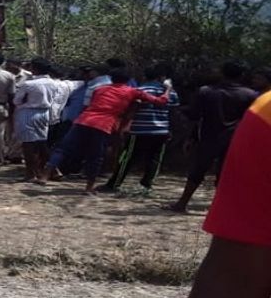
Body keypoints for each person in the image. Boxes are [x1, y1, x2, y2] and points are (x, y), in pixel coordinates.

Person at [178, 91, 271, 298]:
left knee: (200, 173)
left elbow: (231, 289)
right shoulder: (259, 108)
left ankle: (183, 202)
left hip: (220, 141)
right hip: (231, 141)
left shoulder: (263, 112)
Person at [38, 68, 172, 194]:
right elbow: (160, 101)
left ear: (111, 79)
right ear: (127, 80)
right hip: (104, 124)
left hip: (83, 120)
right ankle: (89, 187)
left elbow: (92, 104)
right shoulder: (132, 91)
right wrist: (168, 89)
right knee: (95, 155)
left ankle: (46, 174)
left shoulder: (100, 89)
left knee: (63, 148)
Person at [166, 61, 258, 213]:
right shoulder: (250, 94)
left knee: (197, 171)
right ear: (242, 75)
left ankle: (182, 203)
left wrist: (181, 113)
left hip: (209, 136)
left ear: (222, 73)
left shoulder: (206, 91)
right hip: (234, 138)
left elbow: (194, 114)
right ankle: (221, 207)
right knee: (225, 173)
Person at [101, 65, 180, 194]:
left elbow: (131, 109)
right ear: (162, 77)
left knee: (127, 158)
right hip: (160, 130)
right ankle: (147, 185)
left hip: (139, 130)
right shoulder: (170, 92)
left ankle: (114, 183)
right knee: (155, 159)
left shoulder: (139, 89)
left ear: (145, 76)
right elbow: (173, 110)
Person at [12, 58, 56, 181]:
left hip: (28, 113)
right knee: (41, 143)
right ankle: (51, 170)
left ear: (34, 68)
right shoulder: (53, 83)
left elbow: (16, 100)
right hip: (44, 113)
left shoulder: (29, 84)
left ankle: (30, 173)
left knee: (28, 145)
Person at [3, 58, 33, 164]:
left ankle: (15, 154)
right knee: (8, 131)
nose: (8, 67)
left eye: (10, 65)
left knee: (18, 131)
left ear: (17, 65)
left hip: (21, 107)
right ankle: (8, 153)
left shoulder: (29, 76)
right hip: (7, 106)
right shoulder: (4, 76)